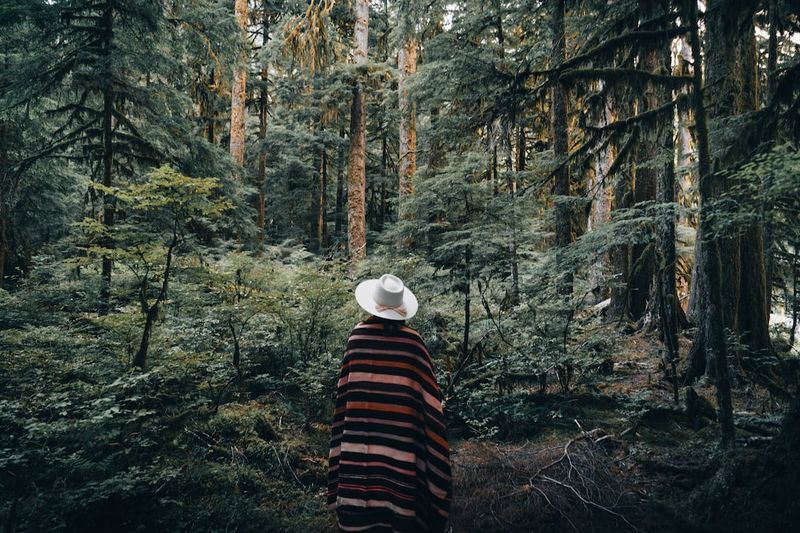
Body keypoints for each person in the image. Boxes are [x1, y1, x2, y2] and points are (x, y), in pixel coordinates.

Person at [327, 274, 452, 533]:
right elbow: (429, 401)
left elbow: (345, 396)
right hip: (400, 448)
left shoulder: (357, 338)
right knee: (399, 494)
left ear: (373, 304)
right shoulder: (413, 343)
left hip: (359, 447)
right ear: (402, 309)